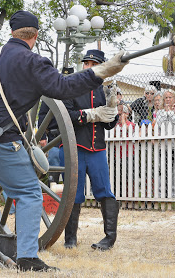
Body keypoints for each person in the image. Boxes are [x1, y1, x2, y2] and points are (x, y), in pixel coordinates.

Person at [0, 11, 128, 271]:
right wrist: (101, 72)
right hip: (0, 140)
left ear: (12, 33)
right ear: (35, 36)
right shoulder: (34, 63)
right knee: (28, 193)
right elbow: (63, 88)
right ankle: (27, 257)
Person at [59, 49, 119, 251]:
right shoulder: (71, 87)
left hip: (97, 149)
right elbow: (66, 115)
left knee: (104, 192)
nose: (89, 68)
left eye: (94, 65)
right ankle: (70, 239)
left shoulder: (105, 89)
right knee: (73, 194)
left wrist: (112, 112)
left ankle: (109, 239)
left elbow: (108, 125)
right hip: (75, 147)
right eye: (87, 64)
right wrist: (91, 115)